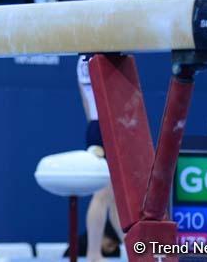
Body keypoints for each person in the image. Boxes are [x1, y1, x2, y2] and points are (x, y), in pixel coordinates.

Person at [77, 55, 124, 262]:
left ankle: (133, 250)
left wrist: (94, 128)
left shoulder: (82, 61)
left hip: (97, 126)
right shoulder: (104, 55)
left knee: (114, 200)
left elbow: (86, 99)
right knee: (103, 195)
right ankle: (93, 253)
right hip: (106, 127)